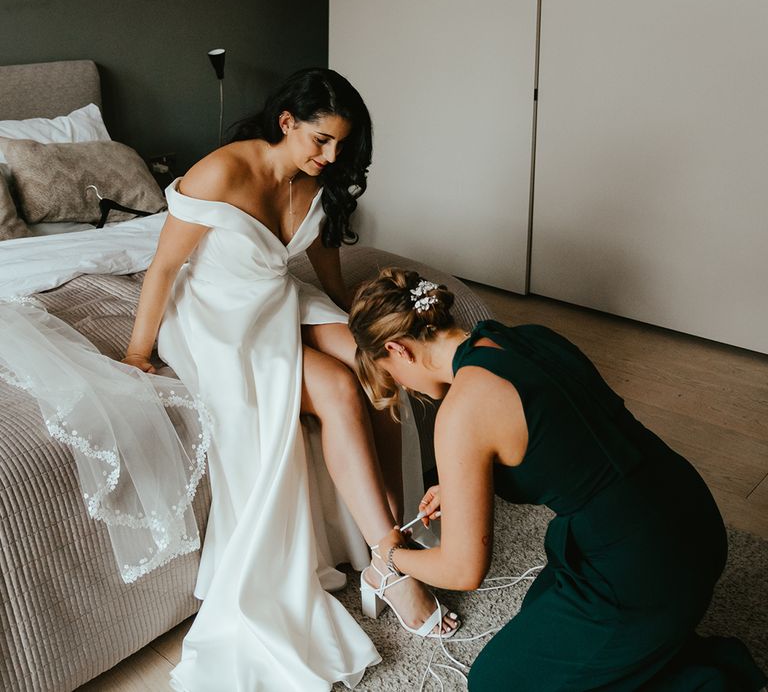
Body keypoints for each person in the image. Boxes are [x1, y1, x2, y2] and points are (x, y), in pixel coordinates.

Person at [121, 70, 457, 692]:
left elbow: (326, 274)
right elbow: (164, 268)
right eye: (321, 141)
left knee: (375, 362)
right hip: (216, 320)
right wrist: (138, 353)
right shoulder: (222, 173)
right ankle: (389, 564)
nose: (330, 158)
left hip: (280, 300)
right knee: (332, 388)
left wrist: (364, 319)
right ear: (286, 123)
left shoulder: (322, 183)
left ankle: (396, 527)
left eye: (340, 146)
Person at [348, 267, 768, 692]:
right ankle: (654, 642)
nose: (404, 387)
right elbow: (567, 438)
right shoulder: (529, 336)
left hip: (646, 562)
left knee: (494, 684)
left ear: (397, 349)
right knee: (543, 618)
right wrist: (462, 482)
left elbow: (463, 570)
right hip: (689, 511)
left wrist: (392, 556)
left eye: (392, 376)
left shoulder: (463, 409)